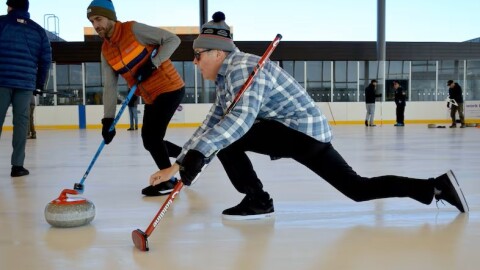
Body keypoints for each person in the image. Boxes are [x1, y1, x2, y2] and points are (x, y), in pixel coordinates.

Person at [147, 12, 468, 221]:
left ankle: (257, 199)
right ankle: (434, 188)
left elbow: (238, 123)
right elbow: (211, 124)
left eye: (198, 55)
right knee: (356, 188)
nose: (194, 62)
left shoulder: (243, 67)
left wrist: (198, 157)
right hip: (300, 134)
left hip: (299, 132)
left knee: (231, 138)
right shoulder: (226, 79)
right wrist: (180, 163)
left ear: (217, 52)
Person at [86, 0, 185, 196]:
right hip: (149, 96)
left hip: (169, 87)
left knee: (153, 138)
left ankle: (168, 181)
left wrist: (153, 63)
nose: (96, 25)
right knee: (149, 141)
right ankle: (188, 157)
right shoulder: (106, 51)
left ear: (111, 17)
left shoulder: (133, 30)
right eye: (92, 21)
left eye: (98, 19)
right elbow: (110, 86)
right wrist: (108, 120)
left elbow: (173, 40)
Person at [0, 0, 51, 177]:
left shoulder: (2, 22)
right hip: (25, 83)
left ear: (11, 6)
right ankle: (17, 166)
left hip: (2, 80)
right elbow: (45, 60)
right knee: (21, 123)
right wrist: (39, 85)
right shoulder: (38, 30)